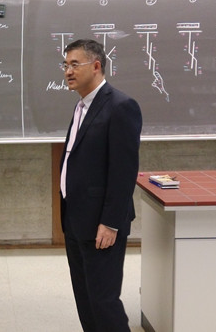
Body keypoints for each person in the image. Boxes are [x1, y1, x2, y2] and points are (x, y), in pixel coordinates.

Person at [59, 39, 142, 332]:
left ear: (96, 66)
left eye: (74, 64)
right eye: (65, 65)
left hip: (101, 225)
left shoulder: (120, 106)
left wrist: (110, 222)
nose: (68, 71)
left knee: (104, 301)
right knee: (85, 298)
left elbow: (124, 172)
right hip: (76, 220)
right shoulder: (81, 106)